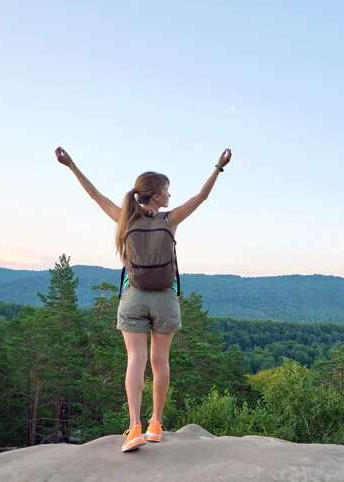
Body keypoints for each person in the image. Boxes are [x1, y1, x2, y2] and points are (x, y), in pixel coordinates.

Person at [55, 146, 232, 452]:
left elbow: (95, 195)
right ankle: (156, 424)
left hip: (134, 297)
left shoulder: (125, 219)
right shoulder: (169, 220)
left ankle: (134, 426)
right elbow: (202, 197)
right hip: (164, 297)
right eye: (167, 191)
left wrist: (70, 165)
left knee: (135, 360)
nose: (170, 197)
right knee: (159, 361)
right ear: (156, 195)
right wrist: (219, 166)